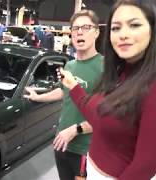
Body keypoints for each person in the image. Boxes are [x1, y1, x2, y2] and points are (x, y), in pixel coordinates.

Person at [58, 1, 156, 179]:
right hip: (90, 170)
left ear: (153, 30)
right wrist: (73, 87)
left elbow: (145, 166)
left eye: (135, 25)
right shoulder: (117, 72)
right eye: (116, 28)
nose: (123, 34)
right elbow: (98, 116)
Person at [24, 10, 103, 180]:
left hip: (85, 150)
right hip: (62, 142)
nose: (79, 32)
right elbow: (62, 91)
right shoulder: (70, 66)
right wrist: (38, 97)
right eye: (75, 28)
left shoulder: (105, 68)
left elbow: (106, 116)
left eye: (86, 27)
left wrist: (75, 130)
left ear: (96, 32)